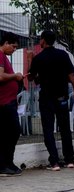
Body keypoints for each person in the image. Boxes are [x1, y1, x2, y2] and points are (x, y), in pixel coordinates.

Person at [28, 30, 74, 171]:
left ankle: (55, 162)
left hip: (46, 98)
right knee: (64, 128)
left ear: (43, 40)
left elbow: (31, 77)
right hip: (61, 96)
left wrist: (30, 60)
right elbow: (71, 74)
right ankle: (69, 160)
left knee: (48, 130)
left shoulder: (38, 58)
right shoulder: (63, 55)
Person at [0, 32, 23, 177]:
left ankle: (8, 163)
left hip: (9, 100)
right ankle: (4, 164)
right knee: (12, 131)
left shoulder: (4, 57)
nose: (14, 50)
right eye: (13, 47)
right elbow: (0, 76)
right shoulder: (0, 56)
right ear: (6, 43)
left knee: (9, 133)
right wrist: (15, 76)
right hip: (4, 102)